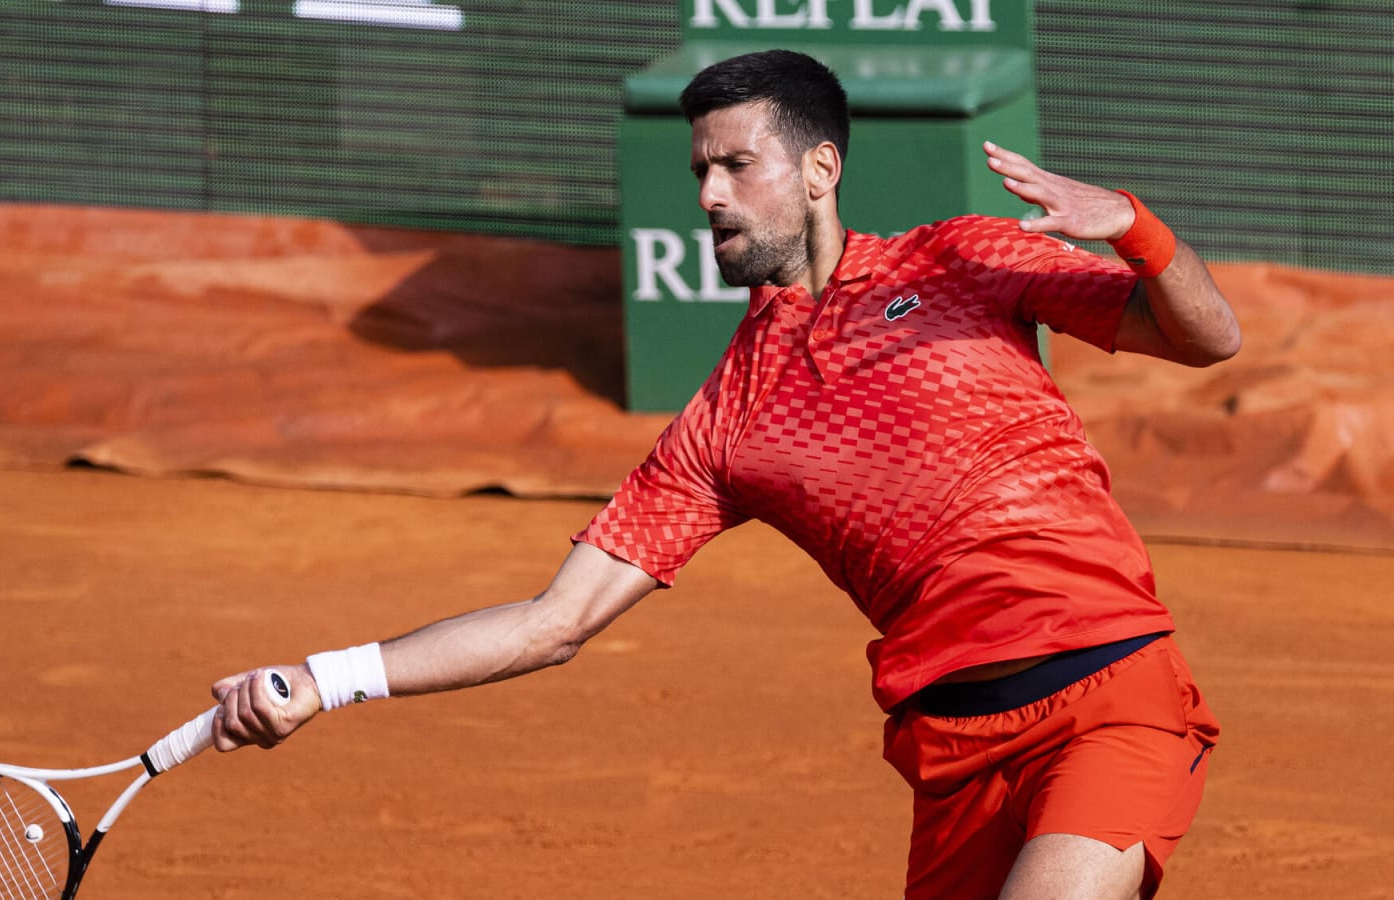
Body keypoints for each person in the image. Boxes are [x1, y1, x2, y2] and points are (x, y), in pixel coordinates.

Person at [210, 49, 1240, 899]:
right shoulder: (722, 423)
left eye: (736, 165)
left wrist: (1140, 233)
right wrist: (324, 679)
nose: (707, 194)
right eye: (699, 171)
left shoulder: (956, 263)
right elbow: (550, 623)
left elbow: (1206, 337)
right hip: (952, 753)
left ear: (819, 171)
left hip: (1109, 699)